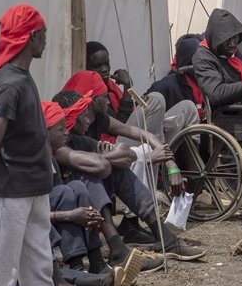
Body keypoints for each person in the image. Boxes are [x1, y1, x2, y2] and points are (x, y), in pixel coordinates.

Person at [0, 4, 68, 286]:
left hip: (30, 190)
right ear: (31, 38)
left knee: (39, 277)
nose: (46, 38)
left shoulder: (17, 78)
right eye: (42, 33)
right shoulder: (10, 84)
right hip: (11, 191)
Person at [54, 90, 207, 264]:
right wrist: (105, 158)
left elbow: (129, 156)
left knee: (118, 171)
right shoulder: (60, 148)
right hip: (67, 208)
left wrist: (103, 158)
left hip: (88, 201)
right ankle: (117, 250)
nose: (88, 119)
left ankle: (164, 237)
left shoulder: (81, 140)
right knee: (92, 177)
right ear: (73, 119)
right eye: (83, 116)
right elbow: (102, 167)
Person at [41, 101, 140, 286]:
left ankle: (96, 261)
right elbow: (29, 211)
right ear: (44, 130)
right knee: (64, 192)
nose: (65, 133)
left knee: (76, 188)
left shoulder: (49, 154)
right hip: (38, 227)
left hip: (50, 216)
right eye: (59, 129)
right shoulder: (33, 158)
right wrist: (70, 215)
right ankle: (80, 270)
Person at [192, 8, 242, 115]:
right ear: (216, 39)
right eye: (226, 40)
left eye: (235, 37)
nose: (232, 44)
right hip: (232, 114)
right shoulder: (203, 57)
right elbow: (216, 94)